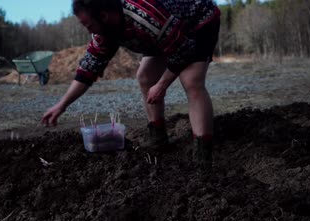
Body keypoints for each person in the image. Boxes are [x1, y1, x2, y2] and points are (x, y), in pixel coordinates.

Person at [42, 0, 220, 169]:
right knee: (144, 76)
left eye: (89, 26)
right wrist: (61, 105)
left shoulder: (143, 15)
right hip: (164, 33)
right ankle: (158, 140)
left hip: (197, 22)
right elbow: (88, 70)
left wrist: (162, 85)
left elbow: (182, 51)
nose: (90, 32)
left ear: (104, 16)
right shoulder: (105, 31)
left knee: (191, 81)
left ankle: (202, 157)